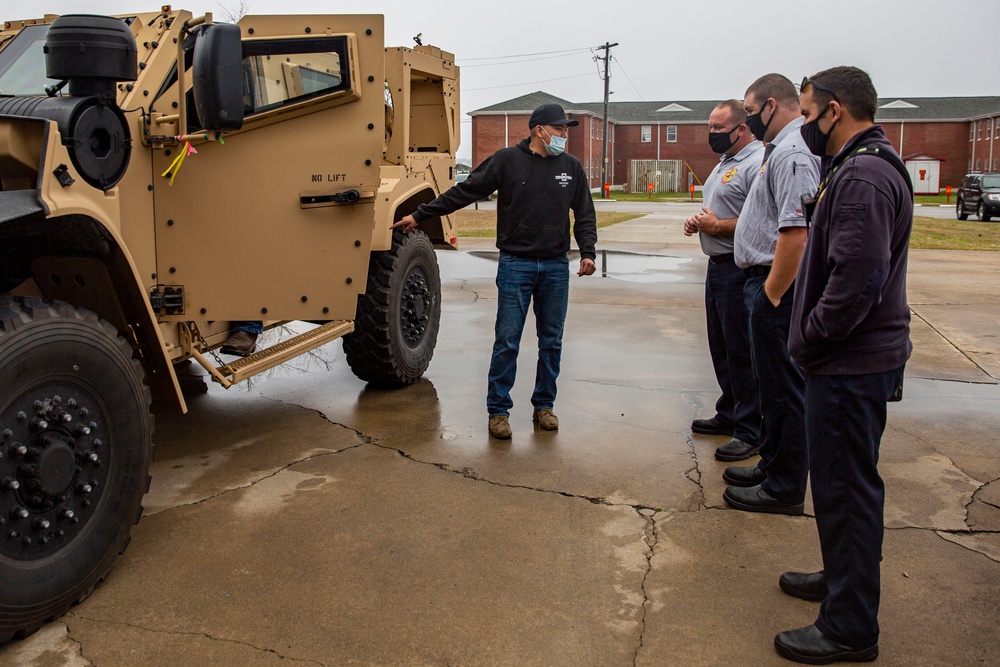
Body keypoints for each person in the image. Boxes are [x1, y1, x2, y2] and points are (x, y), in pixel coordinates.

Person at [773, 67, 913, 665]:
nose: (804, 125)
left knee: (849, 493)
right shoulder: (860, 168)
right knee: (837, 489)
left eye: (806, 114)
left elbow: (858, 279)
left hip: (848, 365)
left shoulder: (862, 176)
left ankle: (850, 627)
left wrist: (809, 338)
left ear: (835, 110)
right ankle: (839, 579)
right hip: (850, 362)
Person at [394, 103, 597, 439]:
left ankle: (544, 406)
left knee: (552, 341)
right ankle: (498, 411)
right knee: (507, 340)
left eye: (566, 130)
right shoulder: (506, 161)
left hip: (555, 267)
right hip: (516, 264)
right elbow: (465, 191)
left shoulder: (571, 168)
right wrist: (420, 214)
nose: (565, 135)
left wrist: (588, 251)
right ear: (539, 130)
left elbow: (585, 213)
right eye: (560, 129)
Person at [723, 74, 819, 515]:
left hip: (774, 286)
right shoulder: (778, 151)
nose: (747, 118)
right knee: (770, 386)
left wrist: (772, 295)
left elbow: (796, 232)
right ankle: (772, 463)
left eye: (749, 109)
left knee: (782, 389)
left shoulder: (794, 154)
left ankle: (783, 487)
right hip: (760, 280)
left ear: (772, 105)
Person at [684, 100, 764, 462]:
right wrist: (700, 223)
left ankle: (750, 429)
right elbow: (721, 211)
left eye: (719, 128)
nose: (712, 134)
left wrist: (717, 227)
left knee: (742, 351)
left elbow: (758, 218)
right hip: (716, 266)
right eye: (711, 127)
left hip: (739, 268)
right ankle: (729, 411)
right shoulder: (725, 164)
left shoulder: (756, 163)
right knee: (722, 347)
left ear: (742, 128)